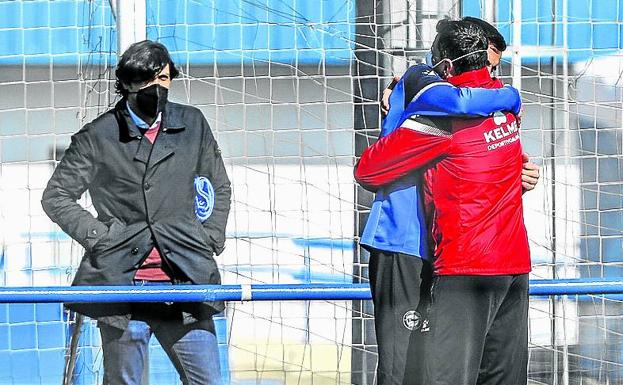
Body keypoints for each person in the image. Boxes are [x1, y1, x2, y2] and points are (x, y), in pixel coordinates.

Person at [41, 40, 230, 385]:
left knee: (209, 381)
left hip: (185, 281)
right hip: (123, 287)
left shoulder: (193, 123)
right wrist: (102, 237)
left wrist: (210, 238)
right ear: (126, 84)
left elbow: (218, 185)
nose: (156, 88)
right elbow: (57, 196)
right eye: (146, 81)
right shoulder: (97, 136)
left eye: (163, 78)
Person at [356, 19, 531, 385]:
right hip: (424, 245)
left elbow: (367, 171)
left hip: (459, 262)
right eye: (495, 60)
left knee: (417, 373)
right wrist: (512, 97)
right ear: (485, 57)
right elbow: (460, 103)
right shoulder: (491, 105)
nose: (496, 70)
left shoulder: (446, 118)